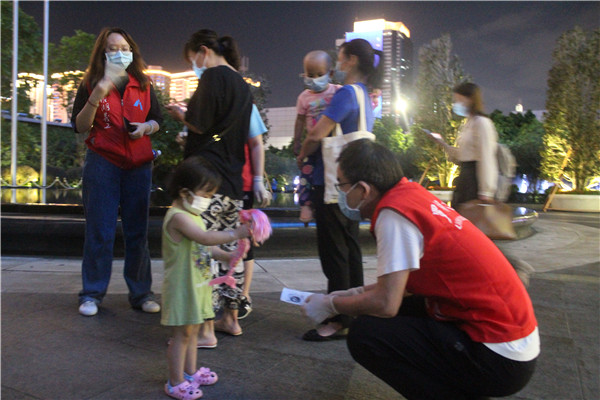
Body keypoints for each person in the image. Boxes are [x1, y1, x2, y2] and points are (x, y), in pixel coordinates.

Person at [302, 139, 540, 400]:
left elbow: (386, 303)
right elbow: (398, 288)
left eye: (341, 184)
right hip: (513, 341)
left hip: (499, 356)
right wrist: (353, 294)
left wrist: (331, 305)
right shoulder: (411, 196)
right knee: (393, 310)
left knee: (366, 335)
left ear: (364, 189)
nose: (340, 193)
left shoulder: (393, 216)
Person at [165, 29, 266, 338]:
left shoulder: (212, 76)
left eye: (193, 59)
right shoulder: (243, 85)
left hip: (207, 181)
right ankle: (231, 319)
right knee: (231, 254)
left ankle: (206, 329)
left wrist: (180, 115)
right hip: (234, 181)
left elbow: (199, 123)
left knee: (204, 252)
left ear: (203, 51)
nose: (195, 65)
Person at [71, 27, 163, 317]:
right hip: (103, 163)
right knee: (100, 231)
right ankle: (92, 293)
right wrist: (97, 94)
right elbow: (80, 126)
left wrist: (146, 127)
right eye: (113, 48)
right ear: (103, 53)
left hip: (138, 165)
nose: (119, 53)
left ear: (132, 51)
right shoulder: (91, 83)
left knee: (137, 232)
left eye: (124, 48)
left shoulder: (144, 83)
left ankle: (141, 293)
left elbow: (157, 119)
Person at [296, 39, 383, 341]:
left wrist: (302, 154)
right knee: (350, 250)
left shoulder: (346, 92)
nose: (338, 63)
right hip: (353, 186)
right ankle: (354, 311)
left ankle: (337, 319)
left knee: (334, 254)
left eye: (341, 58)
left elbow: (317, 133)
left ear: (352, 60)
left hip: (332, 182)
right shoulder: (364, 95)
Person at [162, 156, 252, 399]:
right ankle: (175, 382)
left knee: (193, 332)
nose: (209, 200)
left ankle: (190, 373)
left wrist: (227, 255)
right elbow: (203, 238)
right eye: (207, 194)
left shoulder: (193, 215)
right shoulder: (178, 217)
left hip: (197, 284)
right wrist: (235, 233)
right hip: (182, 287)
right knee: (181, 335)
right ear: (185, 192)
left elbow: (204, 247)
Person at [430, 82, 535, 285]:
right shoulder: (468, 123)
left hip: (475, 180)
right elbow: (462, 156)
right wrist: (442, 144)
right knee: (467, 233)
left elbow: (487, 157)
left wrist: (486, 191)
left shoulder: (482, 123)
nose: (456, 103)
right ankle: (481, 273)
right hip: (465, 178)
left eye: (458, 98)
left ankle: (513, 266)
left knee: (476, 234)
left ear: (470, 99)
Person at [293, 50, 341, 224]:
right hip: (312, 144)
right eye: (310, 75)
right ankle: (306, 204)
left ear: (331, 73)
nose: (314, 79)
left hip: (333, 143)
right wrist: (297, 141)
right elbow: (299, 120)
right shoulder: (303, 98)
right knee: (306, 173)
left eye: (320, 75)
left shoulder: (338, 91)